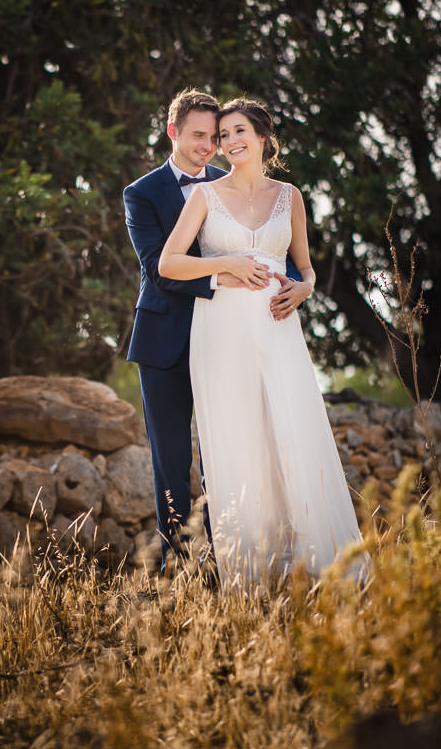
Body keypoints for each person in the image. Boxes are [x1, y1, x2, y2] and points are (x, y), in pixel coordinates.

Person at [158, 97, 364, 584]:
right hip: (221, 329)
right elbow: (168, 263)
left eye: (236, 132)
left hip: (278, 330)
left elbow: (306, 266)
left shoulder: (289, 196)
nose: (228, 143)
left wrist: (307, 286)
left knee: (291, 435)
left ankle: (318, 568)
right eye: (222, 135)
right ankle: (255, 574)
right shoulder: (204, 197)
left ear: (263, 136)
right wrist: (223, 264)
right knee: (238, 441)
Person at [123, 89, 300, 574]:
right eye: (198, 135)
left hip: (229, 340)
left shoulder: (232, 184)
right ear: (173, 133)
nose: (208, 146)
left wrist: (297, 286)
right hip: (165, 345)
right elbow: (158, 270)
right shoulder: (141, 193)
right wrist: (223, 273)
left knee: (232, 452)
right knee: (172, 462)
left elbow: (273, 255)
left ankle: (236, 565)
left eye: (213, 136)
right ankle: (176, 571)